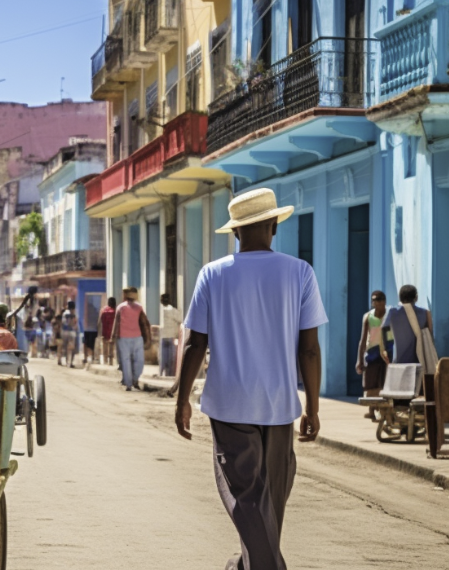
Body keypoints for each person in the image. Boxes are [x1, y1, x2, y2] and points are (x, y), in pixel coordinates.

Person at [174, 188, 326, 570]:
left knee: (252, 501)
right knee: (267, 502)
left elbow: (195, 344)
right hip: (279, 404)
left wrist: (181, 399)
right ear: (274, 226)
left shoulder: (213, 274)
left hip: (230, 403)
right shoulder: (299, 272)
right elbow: (309, 349)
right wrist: (313, 408)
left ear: (236, 232)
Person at [356, 290, 392, 420]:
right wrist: (359, 360)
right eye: (374, 300)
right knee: (371, 383)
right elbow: (363, 339)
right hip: (372, 352)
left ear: (384, 301)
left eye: (379, 300)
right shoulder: (368, 317)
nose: (376, 302)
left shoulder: (390, 315)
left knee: (385, 382)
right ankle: (371, 409)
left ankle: (383, 411)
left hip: (386, 352)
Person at [381, 284, 431, 365]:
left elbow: (384, 329)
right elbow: (430, 336)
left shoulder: (392, 312)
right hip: (419, 362)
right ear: (416, 297)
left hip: (397, 362)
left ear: (400, 298)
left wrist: (386, 350)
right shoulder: (425, 313)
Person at [114, 288, 151, 391]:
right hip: (129, 337)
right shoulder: (123, 307)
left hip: (130, 337)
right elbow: (116, 322)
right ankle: (131, 382)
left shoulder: (137, 307)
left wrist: (113, 337)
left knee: (130, 360)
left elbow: (144, 322)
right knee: (137, 360)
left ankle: (132, 381)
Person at [159, 293, 182, 377]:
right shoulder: (174, 311)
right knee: (172, 357)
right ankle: (170, 374)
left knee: (163, 357)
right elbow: (181, 320)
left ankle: (162, 374)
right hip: (172, 336)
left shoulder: (160, 311)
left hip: (163, 337)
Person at [58, 301, 79, 367]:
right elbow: (75, 323)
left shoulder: (64, 313)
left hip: (64, 331)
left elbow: (63, 322)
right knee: (71, 348)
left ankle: (60, 360)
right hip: (71, 332)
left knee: (63, 347)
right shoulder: (74, 314)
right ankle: (70, 362)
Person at [98, 297, 117, 368]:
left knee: (105, 347)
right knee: (111, 347)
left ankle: (105, 361)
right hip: (112, 331)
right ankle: (110, 361)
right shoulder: (115, 311)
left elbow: (100, 321)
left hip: (104, 331)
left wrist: (98, 330)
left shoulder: (103, 310)